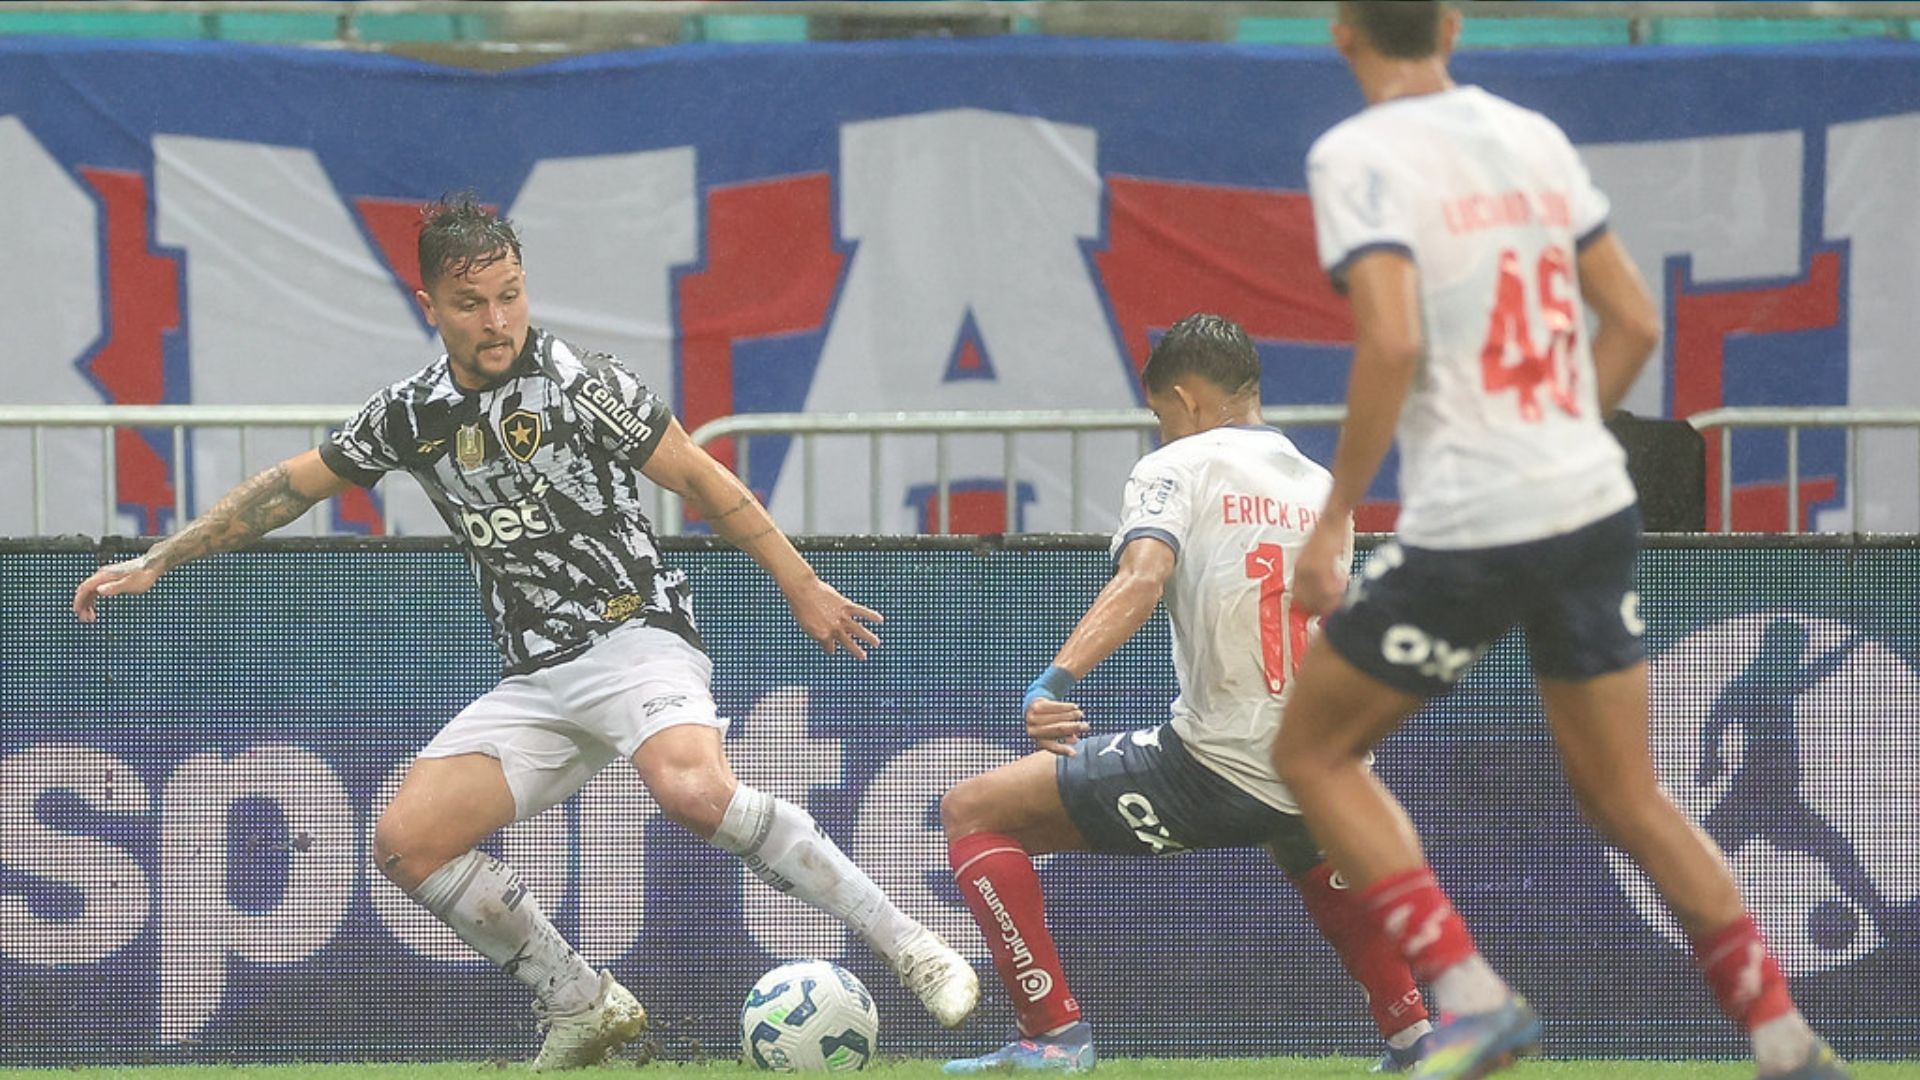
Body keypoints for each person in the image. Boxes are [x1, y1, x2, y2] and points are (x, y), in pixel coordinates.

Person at [71, 193, 978, 1070]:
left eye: (510, 295)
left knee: (694, 793)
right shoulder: (412, 413)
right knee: (405, 842)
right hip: (537, 680)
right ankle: (582, 1001)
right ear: (429, 306)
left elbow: (701, 478)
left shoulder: (582, 384)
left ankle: (911, 946)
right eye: (471, 304)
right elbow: (290, 486)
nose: (497, 320)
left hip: (637, 638)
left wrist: (804, 585)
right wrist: (161, 558)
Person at [1271, 5, 1850, 1080]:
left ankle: (1471, 996)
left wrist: (1337, 512)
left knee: (1312, 749)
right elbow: (1633, 320)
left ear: (1343, 32)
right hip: (1590, 503)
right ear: (1451, 25)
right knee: (1629, 794)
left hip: (1476, 520)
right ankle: (1783, 1041)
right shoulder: (1532, 137)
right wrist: (1561, 439)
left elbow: (1391, 336)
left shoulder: (1355, 153)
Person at [940, 314, 1435, 1075]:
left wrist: (1055, 680)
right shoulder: (1322, 486)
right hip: (1321, 757)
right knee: (1303, 831)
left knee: (973, 811)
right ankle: (1413, 1038)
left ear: (1186, 398)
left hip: (1220, 761)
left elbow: (1142, 576)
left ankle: (1053, 1036)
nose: (1163, 429)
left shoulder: (1180, 466)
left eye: (1161, 414)